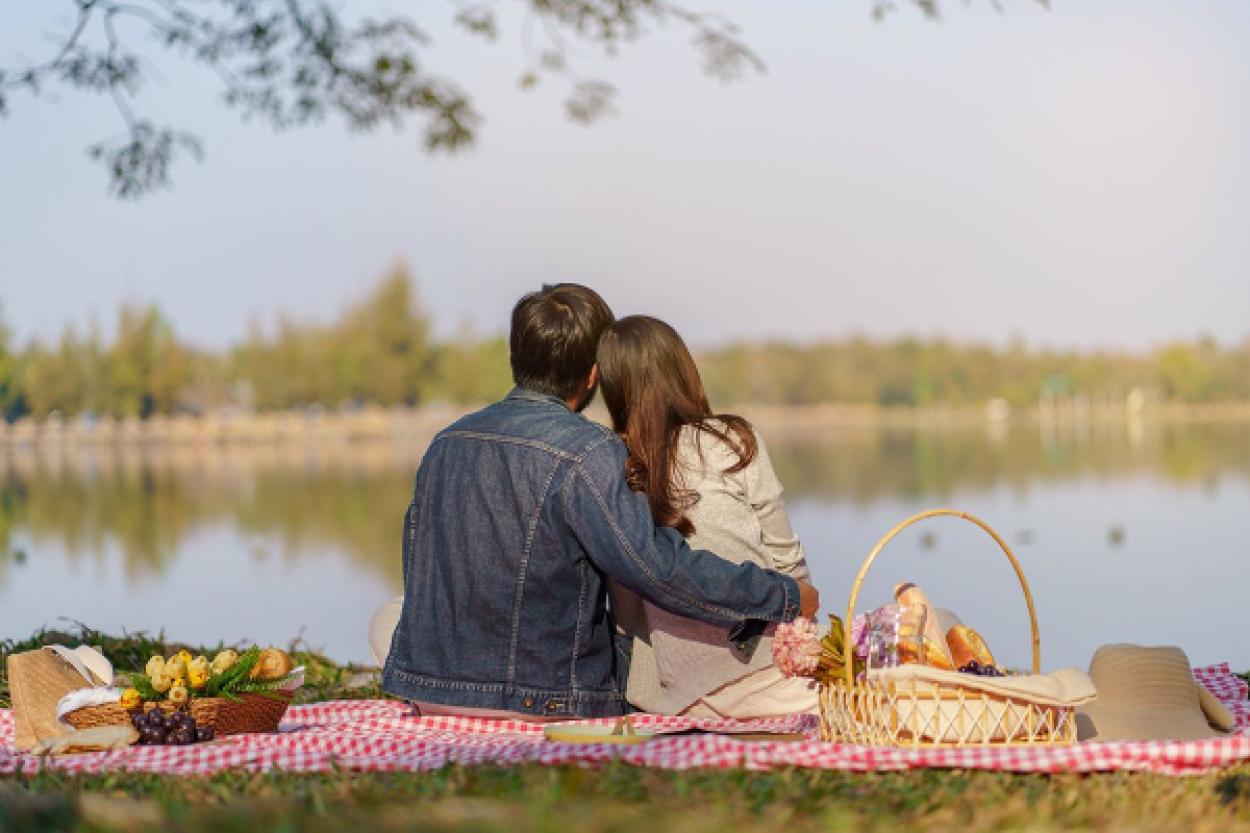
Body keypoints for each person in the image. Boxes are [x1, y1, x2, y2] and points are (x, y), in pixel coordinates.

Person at [380, 284, 819, 719]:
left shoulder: (445, 442)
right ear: (593, 375)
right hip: (541, 699)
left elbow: (419, 567)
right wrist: (782, 595)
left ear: (516, 358)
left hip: (428, 688)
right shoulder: (588, 452)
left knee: (387, 618)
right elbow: (659, 569)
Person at [597, 316, 819, 718]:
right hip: (768, 672)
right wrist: (806, 638)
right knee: (935, 625)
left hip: (678, 693)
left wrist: (652, 694)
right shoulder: (731, 439)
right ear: (683, 370)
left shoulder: (612, 464)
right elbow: (788, 563)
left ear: (612, 388)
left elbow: (626, 610)